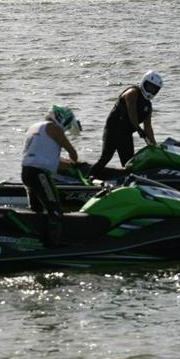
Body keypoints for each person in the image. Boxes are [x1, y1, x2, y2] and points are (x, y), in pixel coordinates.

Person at [21, 104, 81, 245]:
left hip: (27, 172)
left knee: (36, 210)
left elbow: (48, 158)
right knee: (55, 211)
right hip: (40, 175)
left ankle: (34, 240)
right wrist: (76, 163)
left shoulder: (35, 127)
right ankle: (54, 245)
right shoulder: (54, 128)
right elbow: (73, 153)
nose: (66, 129)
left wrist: (68, 165)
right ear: (62, 119)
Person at [89, 71, 163, 178]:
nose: (151, 90)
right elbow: (132, 112)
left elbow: (148, 127)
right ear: (143, 82)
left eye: (154, 89)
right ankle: (89, 177)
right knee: (106, 157)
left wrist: (154, 146)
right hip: (113, 129)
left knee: (129, 163)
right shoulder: (132, 93)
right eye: (149, 87)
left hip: (126, 134)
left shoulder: (148, 106)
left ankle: (125, 182)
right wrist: (138, 129)